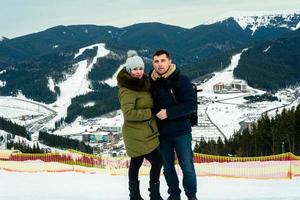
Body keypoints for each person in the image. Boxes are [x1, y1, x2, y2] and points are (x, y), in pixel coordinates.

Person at [149, 49, 198, 200]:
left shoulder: (181, 79)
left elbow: (191, 105)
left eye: (163, 60)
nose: (160, 64)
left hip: (181, 132)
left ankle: (191, 196)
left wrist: (168, 113)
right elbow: (148, 104)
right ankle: (174, 195)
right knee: (168, 168)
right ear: (153, 63)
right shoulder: (151, 82)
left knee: (187, 167)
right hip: (162, 133)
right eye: (156, 61)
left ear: (169, 61)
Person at [117, 50, 164, 200]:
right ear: (129, 70)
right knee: (157, 161)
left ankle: (136, 196)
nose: (138, 72)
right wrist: (150, 112)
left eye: (141, 68)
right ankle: (153, 195)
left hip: (144, 132)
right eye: (135, 69)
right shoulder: (127, 89)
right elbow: (129, 113)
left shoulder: (142, 84)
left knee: (136, 162)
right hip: (135, 133)